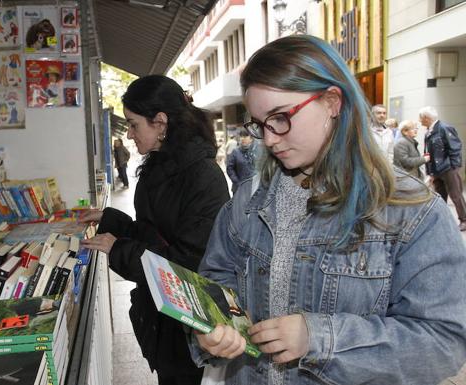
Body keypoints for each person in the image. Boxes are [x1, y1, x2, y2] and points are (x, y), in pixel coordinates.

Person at [192, 35, 466, 385]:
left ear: (332, 102)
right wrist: (214, 326)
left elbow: (442, 343)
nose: (270, 139)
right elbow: (217, 279)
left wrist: (318, 338)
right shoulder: (247, 199)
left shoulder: (410, 212)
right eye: (260, 125)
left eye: (280, 118)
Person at [78, 75, 230, 385]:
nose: (130, 134)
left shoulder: (204, 177)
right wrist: (109, 220)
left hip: (189, 330)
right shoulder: (159, 164)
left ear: (160, 123)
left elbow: (187, 265)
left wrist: (119, 248)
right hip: (163, 321)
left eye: (134, 124)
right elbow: (153, 232)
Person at [421, 106, 466, 231]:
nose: (420, 121)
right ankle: (442, 220)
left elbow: (455, 148)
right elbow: (428, 153)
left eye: (421, 118)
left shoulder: (444, 128)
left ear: (426, 118)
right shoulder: (429, 132)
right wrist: (430, 172)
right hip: (436, 170)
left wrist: (453, 167)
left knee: (455, 195)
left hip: (448, 168)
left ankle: (464, 220)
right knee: (440, 197)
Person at [225, 129, 263, 193]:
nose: (242, 138)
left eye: (245, 136)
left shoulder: (258, 150)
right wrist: (237, 182)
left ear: (251, 138)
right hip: (239, 188)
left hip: (254, 188)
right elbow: (229, 168)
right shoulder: (235, 152)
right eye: (241, 136)